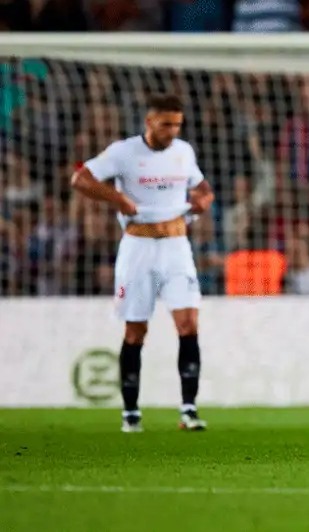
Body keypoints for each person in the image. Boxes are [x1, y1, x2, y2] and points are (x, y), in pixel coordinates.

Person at [71, 94, 215, 432]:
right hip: (138, 247)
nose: (172, 131)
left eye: (177, 124)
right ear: (149, 122)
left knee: (189, 324)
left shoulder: (184, 151)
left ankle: (189, 410)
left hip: (177, 245)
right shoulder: (123, 152)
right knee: (136, 330)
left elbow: (201, 185)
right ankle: (131, 412)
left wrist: (203, 198)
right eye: (166, 124)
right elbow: (81, 179)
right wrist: (117, 197)